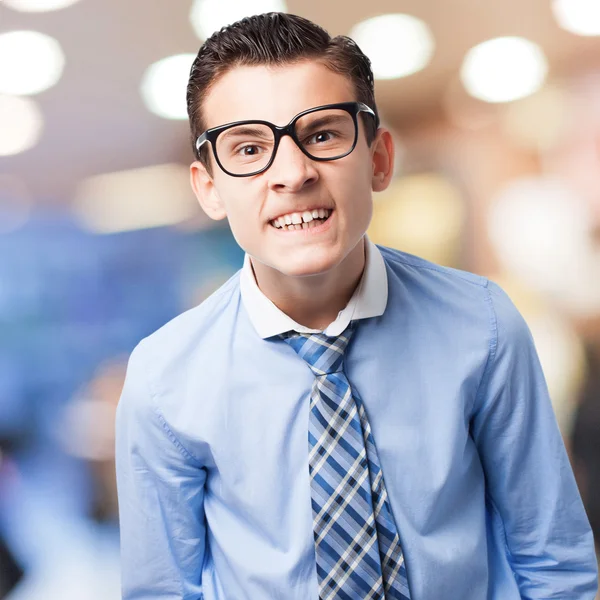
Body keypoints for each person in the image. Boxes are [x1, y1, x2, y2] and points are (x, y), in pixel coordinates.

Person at [115, 12, 598, 600]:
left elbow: (553, 563)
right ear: (209, 186)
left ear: (378, 159)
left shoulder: (484, 325)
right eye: (248, 147)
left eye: (322, 135)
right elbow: (162, 591)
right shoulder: (164, 377)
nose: (292, 174)